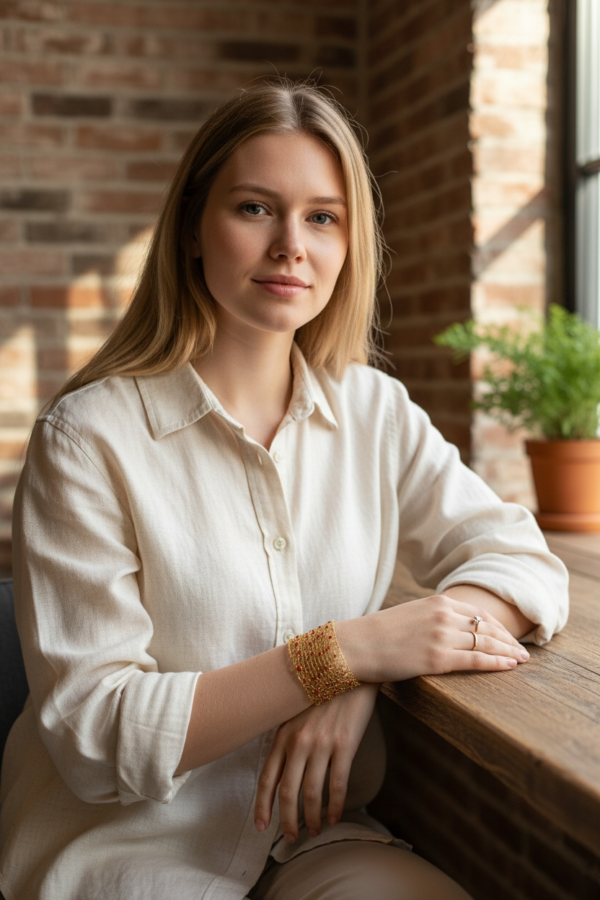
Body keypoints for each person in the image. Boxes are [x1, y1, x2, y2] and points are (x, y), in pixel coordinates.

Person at [0, 78, 568, 900]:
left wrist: (362, 675)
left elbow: (521, 559)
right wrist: (336, 654)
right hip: (128, 853)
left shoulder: (372, 410)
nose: (291, 246)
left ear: (348, 244)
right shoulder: (86, 440)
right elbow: (94, 736)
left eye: (322, 217)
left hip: (307, 846)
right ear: (194, 228)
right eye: (256, 208)